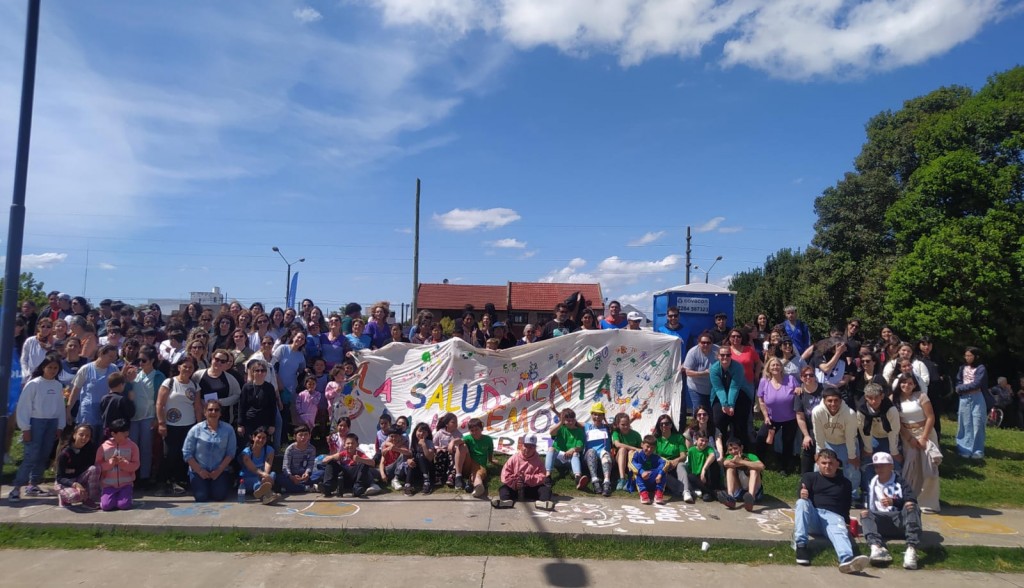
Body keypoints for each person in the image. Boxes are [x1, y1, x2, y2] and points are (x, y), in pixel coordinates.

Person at [793, 448, 870, 573]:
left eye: (830, 463)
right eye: (823, 463)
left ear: (837, 464)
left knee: (839, 531)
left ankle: (847, 560)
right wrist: (802, 494)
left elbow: (846, 505)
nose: (827, 466)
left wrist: (846, 522)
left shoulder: (845, 483)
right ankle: (801, 547)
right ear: (818, 463)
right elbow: (801, 494)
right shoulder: (809, 477)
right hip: (814, 516)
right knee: (802, 503)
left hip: (833, 517)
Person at [9, 354, 66, 502]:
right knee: (31, 456)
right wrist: (25, 428)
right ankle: (16, 488)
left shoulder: (58, 385)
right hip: (35, 423)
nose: (52, 370)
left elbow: (60, 407)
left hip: (51, 423)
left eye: (55, 368)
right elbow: (24, 407)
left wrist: (60, 425)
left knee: (44, 454)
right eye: (50, 367)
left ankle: (33, 484)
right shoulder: (34, 384)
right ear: (43, 367)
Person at [859, 452, 921, 570]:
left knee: (911, 506)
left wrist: (894, 502)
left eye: (882, 465)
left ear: (891, 466)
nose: (879, 469)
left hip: (900, 521)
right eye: (876, 466)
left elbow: (912, 498)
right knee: (864, 513)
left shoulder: (900, 481)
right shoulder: (872, 483)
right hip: (881, 522)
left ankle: (911, 549)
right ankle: (876, 547)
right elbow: (868, 505)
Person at [156, 356, 203, 496]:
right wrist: (161, 423)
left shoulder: (195, 385)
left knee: (185, 455)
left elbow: (198, 407)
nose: (187, 369)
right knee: (169, 454)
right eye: (185, 366)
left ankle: (180, 481)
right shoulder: (169, 382)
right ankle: (165, 482)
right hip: (171, 425)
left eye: (191, 367)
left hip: (189, 425)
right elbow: (160, 404)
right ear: (179, 367)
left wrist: (199, 426)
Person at [895, 374, 941, 513]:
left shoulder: (921, 396)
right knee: (911, 469)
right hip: (907, 436)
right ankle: (911, 500)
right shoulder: (894, 399)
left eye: (910, 383)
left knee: (929, 468)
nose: (906, 386)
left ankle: (928, 503)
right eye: (904, 383)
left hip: (925, 433)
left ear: (914, 385)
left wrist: (924, 437)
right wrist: (909, 438)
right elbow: (898, 422)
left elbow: (931, 417)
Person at [183, 400, 237, 502]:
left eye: (216, 410)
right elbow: (187, 453)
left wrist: (219, 470)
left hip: (219, 470)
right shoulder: (195, 429)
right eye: (210, 410)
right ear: (205, 412)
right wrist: (200, 471)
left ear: (220, 413)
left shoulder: (228, 429)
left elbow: (230, 453)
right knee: (201, 497)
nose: (213, 412)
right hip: (199, 470)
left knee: (219, 496)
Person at [811, 387, 861, 499]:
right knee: (819, 467)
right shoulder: (817, 412)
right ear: (824, 400)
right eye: (829, 401)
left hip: (846, 443)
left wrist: (852, 456)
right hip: (828, 442)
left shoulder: (850, 413)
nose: (833, 404)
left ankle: (852, 495)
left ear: (841, 400)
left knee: (852, 469)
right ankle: (821, 493)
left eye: (836, 400)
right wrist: (819, 451)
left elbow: (850, 437)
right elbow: (818, 434)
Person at [67, 345, 123, 439]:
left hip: (105, 411)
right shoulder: (86, 369)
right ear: (101, 354)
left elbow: (119, 388)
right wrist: (68, 410)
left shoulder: (114, 369)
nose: (113, 359)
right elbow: (75, 391)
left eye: (114, 357)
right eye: (110, 356)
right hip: (88, 411)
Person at [755, 356, 799, 473]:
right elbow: (761, 400)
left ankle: (785, 467)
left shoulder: (790, 379)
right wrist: (765, 416)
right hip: (771, 418)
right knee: (761, 438)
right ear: (768, 368)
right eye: (772, 365)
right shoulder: (764, 381)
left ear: (781, 367)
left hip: (790, 418)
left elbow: (799, 390)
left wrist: (799, 390)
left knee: (788, 442)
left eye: (777, 365)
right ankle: (758, 463)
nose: (775, 367)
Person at [492, 434, 554, 510]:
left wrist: (526, 478)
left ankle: (543, 502)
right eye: (526, 446)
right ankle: (505, 501)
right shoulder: (514, 458)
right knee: (503, 489)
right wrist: (515, 482)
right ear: (521, 446)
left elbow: (542, 476)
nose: (528, 449)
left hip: (531, 488)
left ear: (535, 448)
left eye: (531, 447)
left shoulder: (538, 461)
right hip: (515, 488)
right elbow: (505, 474)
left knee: (545, 489)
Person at [857, 383, 902, 489]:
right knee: (868, 463)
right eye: (870, 398)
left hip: (888, 437)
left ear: (882, 396)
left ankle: (895, 490)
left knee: (893, 462)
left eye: (876, 397)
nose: (873, 401)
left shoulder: (891, 410)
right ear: (866, 397)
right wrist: (868, 448)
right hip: (871, 437)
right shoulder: (861, 410)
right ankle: (868, 491)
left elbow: (893, 431)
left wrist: (894, 451)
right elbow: (863, 430)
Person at [710, 345, 753, 449]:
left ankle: (742, 451)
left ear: (731, 356)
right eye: (722, 355)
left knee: (740, 425)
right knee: (719, 422)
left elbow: (734, 387)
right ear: (718, 356)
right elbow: (719, 388)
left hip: (740, 394)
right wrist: (725, 404)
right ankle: (720, 451)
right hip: (720, 396)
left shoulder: (738, 367)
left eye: (728, 355)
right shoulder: (714, 369)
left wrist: (731, 405)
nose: (725, 357)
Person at [96, 418, 140, 511]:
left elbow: (136, 465)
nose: (126, 434)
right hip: (108, 484)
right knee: (106, 506)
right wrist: (110, 463)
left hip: (126, 484)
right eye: (123, 432)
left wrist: (123, 463)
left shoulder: (132, 446)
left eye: (127, 431)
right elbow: (97, 466)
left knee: (123, 505)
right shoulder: (103, 447)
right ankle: (108, 497)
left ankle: (126, 497)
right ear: (113, 434)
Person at [54, 423, 100, 509]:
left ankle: (88, 498)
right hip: (65, 481)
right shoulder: (65, 453)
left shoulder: (90, 449)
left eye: (87, 436)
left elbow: (86, 468)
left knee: (95, 468)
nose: (84, 438)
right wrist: (75, 484)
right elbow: (60, 477)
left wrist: (74, 472)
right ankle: (63, 497)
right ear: (74, 435)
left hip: (79, 478)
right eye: (81, 435)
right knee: (75, 497)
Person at [955, 346, 988, 459]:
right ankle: (964, 448)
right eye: (966, 355)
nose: (967, 358)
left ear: (976, 356)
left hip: (977, 397)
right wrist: (960, 387)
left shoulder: (981, 368)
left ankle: (977, 450)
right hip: (964, 398)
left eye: (970, 356)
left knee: (978, 422)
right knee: (964, 423)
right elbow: (958, 380)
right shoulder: (962, 367)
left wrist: (961, 388)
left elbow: (977, 383)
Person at [321, 432, 375, 498]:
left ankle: (358, 487)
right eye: (348, 443)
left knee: (364, 463)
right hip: (344, 477)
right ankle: (327, 487)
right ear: (344, 445)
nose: (350, 445)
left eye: (352, 443)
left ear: (357, 445)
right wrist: (332, 458)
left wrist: (360, 459)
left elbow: (372, 463)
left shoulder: (360, 454)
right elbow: (324, 460)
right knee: (331, 463)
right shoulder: (342, 454)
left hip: (355, 477)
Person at [546, 408, 588, 491]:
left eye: (572, 420)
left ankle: (577, 477)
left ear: (575, 420)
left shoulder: (579, 431)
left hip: (570, 459)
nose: (570, 422)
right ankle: (548, 476)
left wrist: (573, 449)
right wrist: (561, 423)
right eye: (568, 420)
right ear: (564, 421)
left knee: (576, 453)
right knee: (551, 448)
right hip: (558, 458)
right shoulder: (561, 428)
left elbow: (580, 446)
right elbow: (551, 432)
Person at [717, 437, 764, 512]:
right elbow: (726, 463)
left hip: (755, 492)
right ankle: (730, 497)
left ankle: (750, 499)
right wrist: (741, 463)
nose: (733, 451)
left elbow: (761, 466)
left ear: (741, 447)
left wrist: (741, 461)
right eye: (730, 450)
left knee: (754, 469)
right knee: (730, 469)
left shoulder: (750, 456)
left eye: (736, 448)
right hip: (740, 490)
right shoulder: (730, 457)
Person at [238, 427, 282, 505]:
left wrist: (265, 476)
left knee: (272, 474)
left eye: (264, 438)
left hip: (262, 478)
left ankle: (264, 495)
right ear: (253, 437)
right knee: (257, 483)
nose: (261, 440)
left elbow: (268, 464)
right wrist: (263, 475)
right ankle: (267, 494)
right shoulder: (246, 453)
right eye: (259, 437)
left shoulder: (269, 450)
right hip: (247, 479)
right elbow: (254, 469)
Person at [462, 417, 498, 499]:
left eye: (476, 430)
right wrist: (453, 442)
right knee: (462, 446)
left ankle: (478, 486)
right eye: (472, 430)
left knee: (476, 474)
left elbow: (490, 452)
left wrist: (491, 460)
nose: (474, 432)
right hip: (468, 463)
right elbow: (459, 442)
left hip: (480, 465)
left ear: (481, 429)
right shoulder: (467, 438)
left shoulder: (488, 439)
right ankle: (475, 484)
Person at [582, 402, 613, 496]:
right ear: (591, 415)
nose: (597, 417)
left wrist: (638, 413)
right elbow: (569, 420)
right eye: (595, 414)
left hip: (604, 458)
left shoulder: (608, 428)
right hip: (590, 457)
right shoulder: (586, 426)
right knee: (591, 451)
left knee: (605, 454)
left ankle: (607, 482)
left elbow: (624, 424)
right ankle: (595, 481)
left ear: (603, 416)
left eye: (600, 415)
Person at [653, 414, 687, 498]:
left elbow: (683, 456)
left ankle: (686, 491)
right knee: (660, 471)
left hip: (676, 463)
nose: (664, 425)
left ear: (671, 425)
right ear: (659, 426)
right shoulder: (656, 439)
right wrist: (666, 462)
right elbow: (654, 457)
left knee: (681, 465)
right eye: (661, 424)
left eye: (667, 423)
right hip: (663, 464)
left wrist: (676, 460)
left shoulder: (678, 437)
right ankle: (682, 489)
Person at [683, 333, 718, 415]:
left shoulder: (718, 351)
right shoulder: (692, 352)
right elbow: (687, 372)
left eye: (708, 343)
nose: (705, 345)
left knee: (713, 413)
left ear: (712, 343)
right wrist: (704, 373)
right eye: (703, 343)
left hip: (714, 389)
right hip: (696, 388)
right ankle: (696, 427)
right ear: (698, 343)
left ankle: (711, 428)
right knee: (699, 412)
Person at [397, 422, 436, 495]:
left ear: (427, 434)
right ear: (415, 432)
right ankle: (408, 484)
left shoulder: (429, 442)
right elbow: (409, 455)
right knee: (412, 461)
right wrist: (409, 460)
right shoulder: (413, 443)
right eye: (419, 431)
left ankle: (427, 482)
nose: (421, 434)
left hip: (427, 469)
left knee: (421, 455)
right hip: (416, 469)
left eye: (424, 432)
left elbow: (430, 458)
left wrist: (424, 445)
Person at [680, 432, 719, 503]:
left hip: (704, 476)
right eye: (702, 440)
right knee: (690, 476)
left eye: (706, 441)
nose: (704, 443)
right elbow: (687, 463)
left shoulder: (708, 449)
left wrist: (703, 470)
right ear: (696, 440)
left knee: (706, 498)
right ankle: (713, 493)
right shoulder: (691, 450)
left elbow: (712, 456)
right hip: (694, 476)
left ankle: (707, 492)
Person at [433, 412, 467, 488]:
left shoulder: (458, 434)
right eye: (453, 422)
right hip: (442, 456)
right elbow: (433, 444)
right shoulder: (439, 433)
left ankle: (451, 476)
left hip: (452, 455)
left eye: (456, 422)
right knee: (440, 455)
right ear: (446, 424)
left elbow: (462, 442)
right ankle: (438, 477)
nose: (455, 424)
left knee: (453, 457)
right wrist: (438, 448)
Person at [630, 435, 667, 505]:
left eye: (652, 448)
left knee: (663, 472)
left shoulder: (656, 456)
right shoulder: (636, 454)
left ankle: (658, 492)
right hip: (640, 480)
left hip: (654, 480)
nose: (649, 449)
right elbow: (631, 463)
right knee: (636, 472)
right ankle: (643, 493)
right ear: (642, 445)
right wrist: (641, 472)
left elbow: (665, 463)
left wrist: (660, 474)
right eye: (647, 446)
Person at [610, 411, 643, 491]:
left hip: (632, 460)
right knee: (622, 449)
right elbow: (617, 444)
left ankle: (631, 479)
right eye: (623, 425)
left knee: (631, 452)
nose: (626, 426)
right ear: (617, 425)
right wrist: (635, 448)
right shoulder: (616, 433)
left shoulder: (636, 434)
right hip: (620, 459)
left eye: (627, 424)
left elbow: (642, 448)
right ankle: (622, 479)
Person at [281, 425, 317, 493]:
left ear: (309, 436)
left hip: (305, 476)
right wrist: (291, 477)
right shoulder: (290, 449)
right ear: (295, 437)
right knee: (279, 477)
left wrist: (307, 473)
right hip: (292, 475)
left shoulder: (312, 449)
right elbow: (285, 466)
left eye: (306, 434)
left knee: (321, 473)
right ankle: (306, 487)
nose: (303, 437)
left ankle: (293, 487)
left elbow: (310, 464)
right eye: (300, 435)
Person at [99, 372, 135, 436]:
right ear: (121, 385)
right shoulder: (122, 399)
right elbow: (131, 413)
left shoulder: (104, 398)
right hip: (120, 432)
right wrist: (131, 400)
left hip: (107, 430)